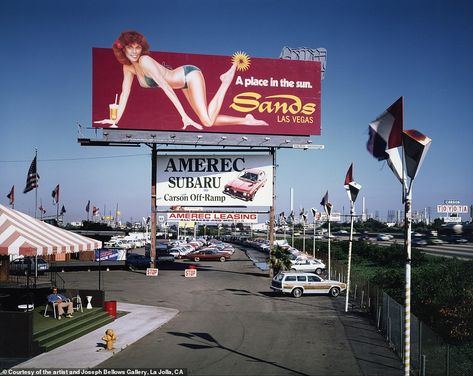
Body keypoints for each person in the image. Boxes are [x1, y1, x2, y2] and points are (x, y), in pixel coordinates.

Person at [94, 30, 267, 130]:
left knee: (205, 121)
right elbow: (125, 93)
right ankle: (246, 119)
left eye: (137, 47)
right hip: (181, 84)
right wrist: (115, 120)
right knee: (208, 121)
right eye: (130, 48)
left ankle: (226, 80)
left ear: (142, 49)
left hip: (189, 76)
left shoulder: (145, 61)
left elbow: (167, 88)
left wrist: (184, 116)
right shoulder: (128, 67)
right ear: (122, 49)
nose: (134, 52)